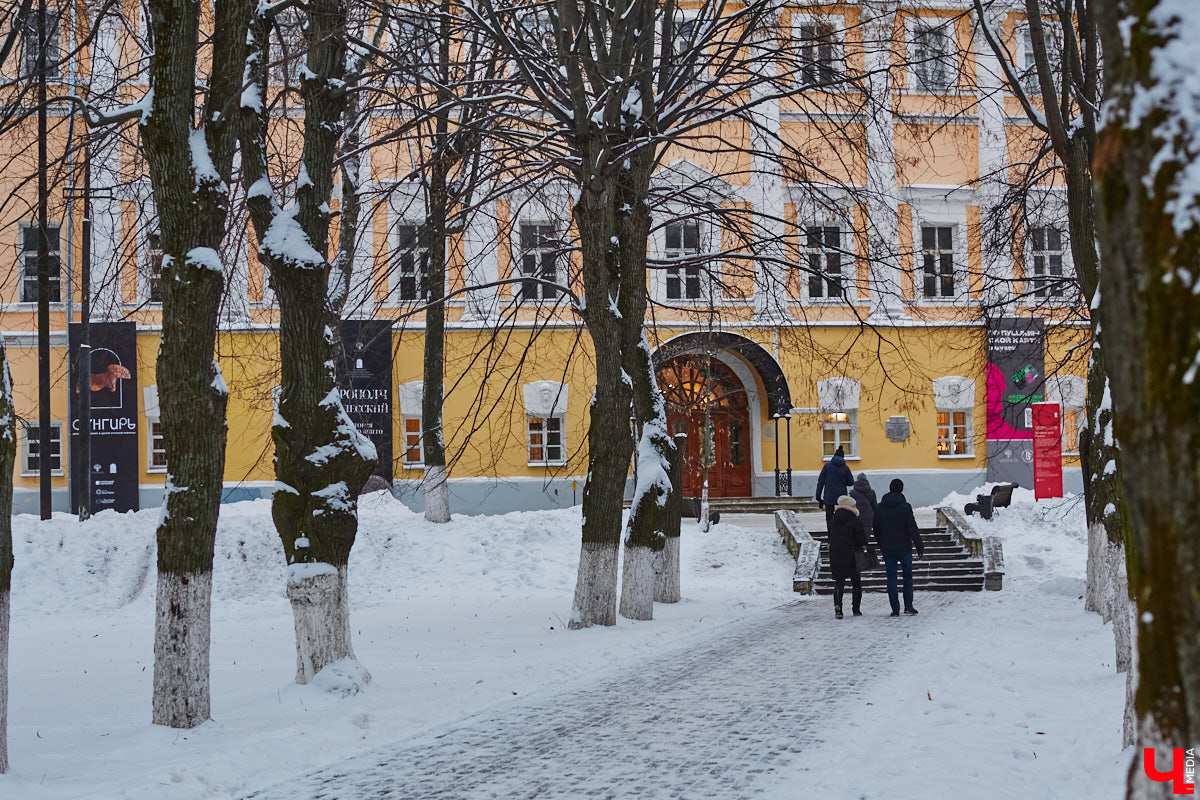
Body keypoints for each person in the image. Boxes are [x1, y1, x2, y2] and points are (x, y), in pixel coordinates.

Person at [873, 478, 924, 616]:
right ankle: (908, 606)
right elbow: (912, 527)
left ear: (890, 488)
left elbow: (876, 528)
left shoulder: (880, 507)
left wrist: (881, 543)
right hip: (904, 548)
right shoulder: (905, 507)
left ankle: (895, 609)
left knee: (891, 579)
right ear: (901, 489)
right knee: (907, 577)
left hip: (888, 548)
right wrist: (919, 545)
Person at [827, 494, 867, 619]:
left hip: (836, 554)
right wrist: (863, 547)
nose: (855, 507)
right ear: (849, 506)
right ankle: (856, 609)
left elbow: (831, 537)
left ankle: (838, 608)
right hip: (852, 555)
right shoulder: (855, 521)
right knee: (856, 582)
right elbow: (861, 539)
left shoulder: (833, 520)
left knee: (839, 582)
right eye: (854, 505)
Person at [814, 445, 854, 531]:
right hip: (842, 497)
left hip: (829, 496)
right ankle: (841, 535)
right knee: (842, 517)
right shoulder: (845, 467)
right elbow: (851, 482)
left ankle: (831, 535)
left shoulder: (827, 466)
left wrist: (818, 496)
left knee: (829, 517)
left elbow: (821, 482)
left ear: (834, 455)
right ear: (843, 457)